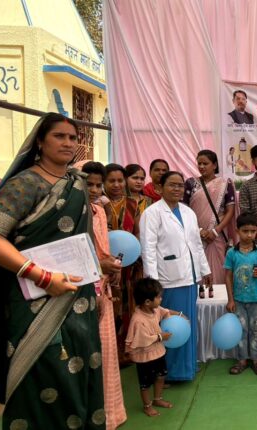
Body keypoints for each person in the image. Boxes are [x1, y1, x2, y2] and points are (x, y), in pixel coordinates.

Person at [0, 113, 104, 428]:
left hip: (80, 298)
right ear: (40, 142)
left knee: (80, 375)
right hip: (35, 298)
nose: (68, 143)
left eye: (73, 138)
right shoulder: (24, 185)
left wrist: (99, 272)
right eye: (59, 136)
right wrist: (43, 277)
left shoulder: (76, 183)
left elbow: (80, 239)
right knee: (44, 375)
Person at [140, 171, 212, 381]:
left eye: (180, 185)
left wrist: (205, 269)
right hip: (167, 280)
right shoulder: (152, 213)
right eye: (172, 185)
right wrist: (152, 282)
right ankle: (169, 372)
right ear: (159, 188)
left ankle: (187, 366)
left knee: (187, 323)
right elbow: (148, 249)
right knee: (171, 325)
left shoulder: (188, 212)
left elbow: (196, 244)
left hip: (190, 277)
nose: (177, 189)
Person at [81, 161, 126, 429]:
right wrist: (97, 278)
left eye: (99, 185)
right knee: (87, 354)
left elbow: (103, 248)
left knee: (105, 352)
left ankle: (109, 414)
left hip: (103, 287)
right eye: (89, 184)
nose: (95, 190)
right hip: (82, 289)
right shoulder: (72, 212)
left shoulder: (98, 211)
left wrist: (112, 271)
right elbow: (74, 253)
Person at [104, 163, 144, 363]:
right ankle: (111, 354)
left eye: (120, 180)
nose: (116, 185)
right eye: (111, 181)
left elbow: (137, 233)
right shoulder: (99, 205)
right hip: (105, 265)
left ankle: (128, 351)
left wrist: (133, 254)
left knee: (130, 306)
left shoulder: (132, 204)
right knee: (111, 308)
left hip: (130, 266)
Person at [224, 212, 257, 376]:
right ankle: (242, 360)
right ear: (237, 231)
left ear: (256, 230)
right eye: (245, 231)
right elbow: (228, 277)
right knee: (241, 330)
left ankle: (256, 360)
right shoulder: (232, 253)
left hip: (256, 299)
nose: (249, 235)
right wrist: (230, 299)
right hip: (238, 300)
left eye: (253, 231)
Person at [183, 150, 237, 287]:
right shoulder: (190, 183)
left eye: (205, 163)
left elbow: (230, 211)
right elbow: (184, 211)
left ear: (214, 165)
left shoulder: (225, 184)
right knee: (196, 269)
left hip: (218, 235)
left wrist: (215, 231)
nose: (201, 166)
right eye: (199, 163)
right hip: (195, 234)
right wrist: (199, 230)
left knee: (220, 270)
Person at [125, 278, 177, 417]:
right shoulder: (138, 320)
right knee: (145, 383)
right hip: (144, 357)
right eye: (159, 297)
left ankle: (157, 399)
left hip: (158, 352)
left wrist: (179, 315)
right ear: (148, 301)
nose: (161, 299)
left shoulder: (155, 309)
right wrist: (161, 337)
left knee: (161, 376)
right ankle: (147, 406)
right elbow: (143, 340)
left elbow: (165, 312)